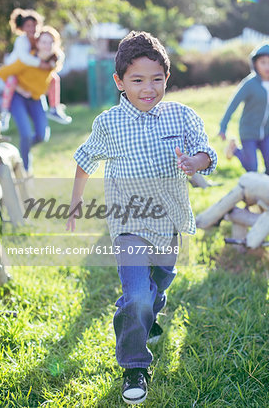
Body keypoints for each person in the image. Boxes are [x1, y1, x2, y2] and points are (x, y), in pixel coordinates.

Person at [66, 31, 217, 405]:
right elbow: (84, 162)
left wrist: (193, 162)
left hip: (168, 223)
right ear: (119, 82)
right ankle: (134, 365)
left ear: (167, 78)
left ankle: (143, 317)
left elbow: (206, 153)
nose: (148, 88)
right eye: (137, 80)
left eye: (156, 80)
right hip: (128, 223)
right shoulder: (109, 124)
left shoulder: (182, 115)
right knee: (136, 294)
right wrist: (74, 203)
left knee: (158, 286)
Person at [218, 43, 269, 177]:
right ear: (255, 64)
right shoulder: (249, 84)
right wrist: (223, 127)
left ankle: (263, 188)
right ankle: (235, 150)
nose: (267, 66)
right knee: (252, 168)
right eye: (263, 62)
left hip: (266, 132)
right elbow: (233, 104)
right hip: (248, 131)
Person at [0, 26, 63, 172]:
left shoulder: (52, 63)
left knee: (42, 135)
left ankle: (23, 149)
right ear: (37, 43)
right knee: (26, 134)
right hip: (18, 98)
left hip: (36, 99)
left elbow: (51, 81)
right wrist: (20, 89)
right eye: (44, 42)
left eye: (50, 42)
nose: (47, 46)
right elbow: (2, 72)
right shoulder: (27, 60)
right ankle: (26, 169)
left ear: (55, 45)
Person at [0, 8, 71, 131]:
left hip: (31, 86)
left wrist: (54, 59)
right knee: (12, 80)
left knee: (54, 78)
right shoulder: (22, 41)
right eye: (28, 26)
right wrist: (40, 64)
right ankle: (4, 113)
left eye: (35, 25)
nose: (32, 28)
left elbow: (56, 51)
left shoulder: (39, 40)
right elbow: (24, 59)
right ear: (22, 28)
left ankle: (54, 108)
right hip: (12, 70)